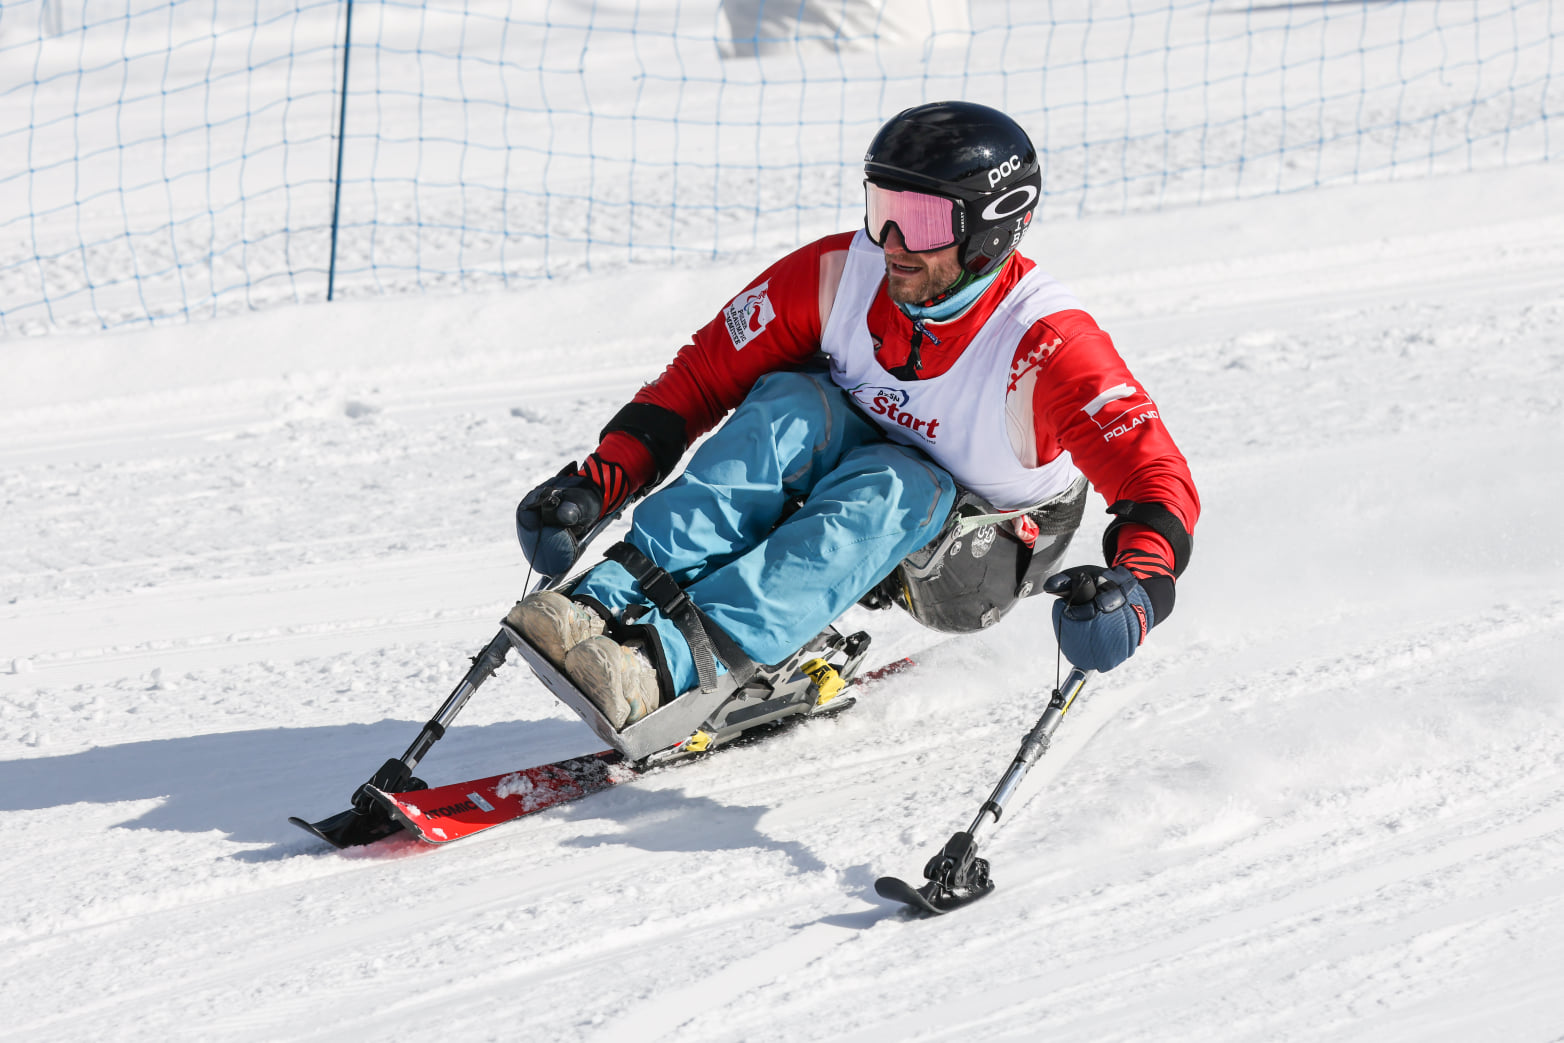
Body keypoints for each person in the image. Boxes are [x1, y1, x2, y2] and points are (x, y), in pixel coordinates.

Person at [509, 100, 1200, 730]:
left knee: (893, 476)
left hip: (985, 549)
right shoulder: (841, 273)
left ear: (991, 228)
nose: (892, 240)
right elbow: (703, 374)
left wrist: (1136, 591)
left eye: (923, 219)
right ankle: (607, 596)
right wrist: (599, 480)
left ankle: (678, 659)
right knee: (788, 406)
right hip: (867, 463)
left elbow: (1157, 478)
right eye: (882, 206)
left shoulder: (1047, 346)